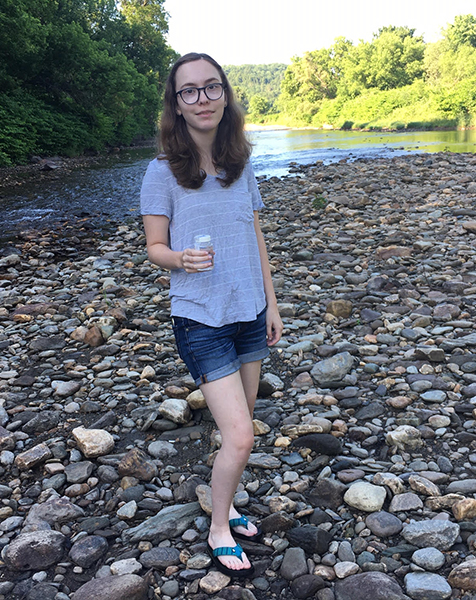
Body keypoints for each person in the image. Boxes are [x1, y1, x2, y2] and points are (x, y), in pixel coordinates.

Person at [140, 52, 283, 578]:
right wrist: (179, 258)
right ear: (176, 106)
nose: (202, 99)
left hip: (248, 311)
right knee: (243, 435)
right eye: (189, 91)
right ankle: (218, 528)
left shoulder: (239, 164)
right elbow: (154, 246)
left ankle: (225, 505)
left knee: (237, 431)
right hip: (200, 317)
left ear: (225, 94)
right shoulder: (161, 172)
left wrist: (272, 302)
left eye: (211, 87)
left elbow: (256, 236)